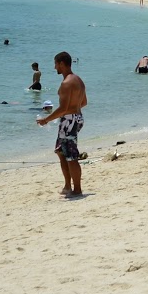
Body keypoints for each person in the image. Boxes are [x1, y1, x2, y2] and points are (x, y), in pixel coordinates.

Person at [36, 52, 86, 198]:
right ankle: (67, 186)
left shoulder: (66, 83)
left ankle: (77, 189)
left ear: (62, 63)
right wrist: (74, 110)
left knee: (71, 155)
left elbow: (63, 108)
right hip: (76, 118)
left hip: (69, 121)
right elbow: (84, 102)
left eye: (56, 63)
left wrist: (46, 120)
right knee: (60, 151)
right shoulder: (78, 80)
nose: (54, 67)